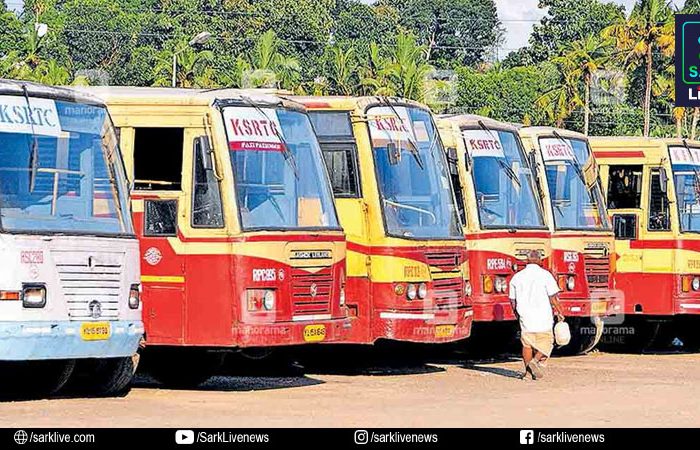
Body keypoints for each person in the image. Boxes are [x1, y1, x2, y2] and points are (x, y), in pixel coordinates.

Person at [508, 250, 565, 380]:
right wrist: (560, 311)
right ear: (540, 260)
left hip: (525, 315)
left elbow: (512, 299)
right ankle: (535, 361)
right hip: (543, 315)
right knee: (548, 342)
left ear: (527, 261)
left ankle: (528, 374)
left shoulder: (517, 277)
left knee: (527, 344)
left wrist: (516, 313)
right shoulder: (546, 275)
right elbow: (553, 297)